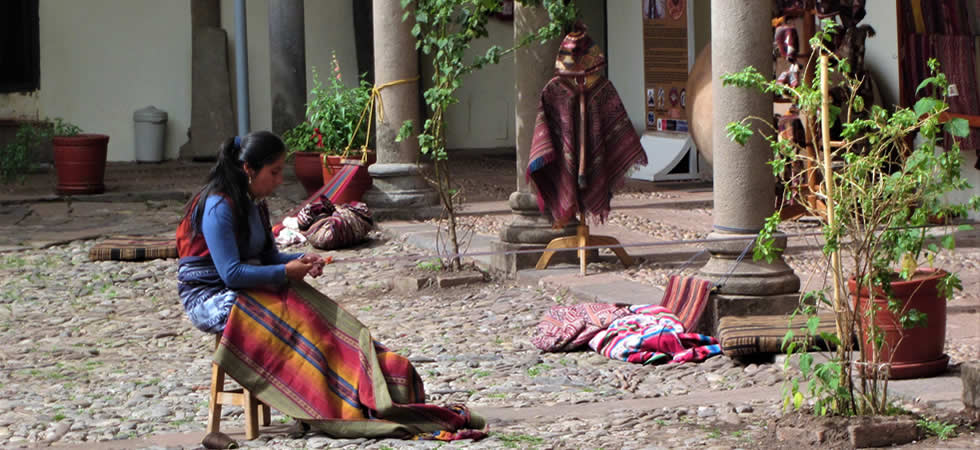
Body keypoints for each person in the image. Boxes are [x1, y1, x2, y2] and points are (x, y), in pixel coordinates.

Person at [176, 131, 485, 441]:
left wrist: (302, 260)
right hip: (211, 296)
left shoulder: (255, 204)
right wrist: (286, 272)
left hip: (248, 286)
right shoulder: (218, 206)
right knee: (299, 322)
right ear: (248, 170)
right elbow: (231, 274)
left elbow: (268, 256)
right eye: (274, 172)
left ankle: (381, 380)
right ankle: (330, 397)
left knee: (318, 317)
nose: (279, 180)